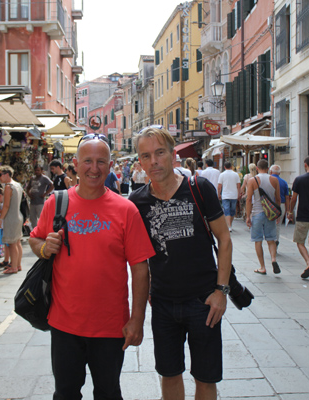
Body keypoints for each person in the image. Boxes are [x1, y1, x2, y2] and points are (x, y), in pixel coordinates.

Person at [29, 133, 155, 399]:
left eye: (101, 162)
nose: (94, 168)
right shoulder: (56, 202)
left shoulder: (125, 210)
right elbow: (35, 239)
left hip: (110, 326)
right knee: (65, 393)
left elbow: (140, 268)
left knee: (108, 393)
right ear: (75, 163)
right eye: (88, 161)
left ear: (110, 167)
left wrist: (137, 319)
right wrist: (43, 247)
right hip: (65, 324)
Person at [129, 126, 232, 400]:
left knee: (205, 378)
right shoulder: (136, 203)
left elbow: (224, 238)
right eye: (146, 155)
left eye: (160, 153)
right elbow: (132, 258)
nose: (154, 161)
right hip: (162, 304)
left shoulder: (199, 189)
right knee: (169, 375)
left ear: (173, 155)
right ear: (139, 161)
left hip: (203, 302)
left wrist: (221, 292)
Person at [246, 160, 281, 275]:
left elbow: (248, 199)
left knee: (258, 241)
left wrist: (248, 216)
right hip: (270, 214)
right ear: (268, 168)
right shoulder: (274, 180)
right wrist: (278, 214)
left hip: (257, 213)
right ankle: (273, 259)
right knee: (271, 240)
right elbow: (278, 198)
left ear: (257, 168)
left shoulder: (252, 180)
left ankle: (262, 267)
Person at [0, 165, 24, 274]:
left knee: (13, 243)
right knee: (17, 242)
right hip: (18, 216)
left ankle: (13, 267)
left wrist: (0, 219)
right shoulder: (18, 185)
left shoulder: (8, 187)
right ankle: (18, 264)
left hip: (11, 217)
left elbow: (6, 205)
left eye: (0, 175)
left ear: (7, 174)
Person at [270, 164, 291, 249]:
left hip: (269, 205)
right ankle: (276, 241)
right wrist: (288, 209)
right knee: (278, 225)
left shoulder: (268, 180)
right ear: (279, 173)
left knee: (269, 224)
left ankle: (271, 242)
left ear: (271, 172)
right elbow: (287, 197)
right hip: (281, 205)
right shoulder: (284, 182)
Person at [217, 161, 241, 232]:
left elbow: (219, 186)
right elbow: (238, 186)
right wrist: (239, 194)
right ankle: (230, 225)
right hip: (234, 195)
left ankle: (229, 225)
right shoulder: (236, 174)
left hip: (225, 195)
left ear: (224, 167)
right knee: (232, 211)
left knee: (227, 210)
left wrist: (219, 194)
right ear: (231, 167)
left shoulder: (222, 175)